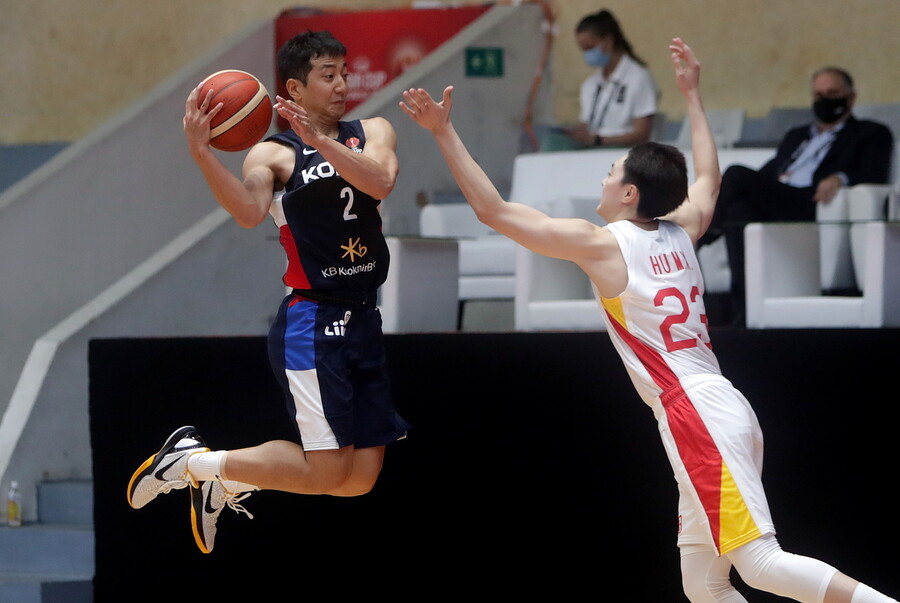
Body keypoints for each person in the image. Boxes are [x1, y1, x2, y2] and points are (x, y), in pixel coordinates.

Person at [400, 38, 896, 603]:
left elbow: (495, 211)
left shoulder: (604, 243)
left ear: (629, 192)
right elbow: (708, 179)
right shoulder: (682, 228)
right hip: (719, 402)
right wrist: (693, 96)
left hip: (693, 412)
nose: (604, 178)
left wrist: (443, 132)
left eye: (610, 171)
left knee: (758, 564)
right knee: (703, 584)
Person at [126, 30, 410, 554]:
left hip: (365, 317)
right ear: (295, 90)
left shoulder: (373, 129)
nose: (343, 83)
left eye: (345, 71)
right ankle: (191, 463)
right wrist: (201, 154)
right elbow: (248, 211)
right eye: (329, 75)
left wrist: (323, 140)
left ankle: (226, 480)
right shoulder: (273, 154)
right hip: (314, 321)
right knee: (326, 471)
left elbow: (381, 182)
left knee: (360, 478)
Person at [698, 66, 894, 325]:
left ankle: (700, 231)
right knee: (738, 211)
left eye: (832, 93)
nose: (825, 99)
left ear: (851, 96)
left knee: (735, 175)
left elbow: (873, 172)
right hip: (782, 195)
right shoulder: (797, 136)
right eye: (818, 94)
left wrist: (840, 178)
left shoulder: (870, 132)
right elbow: (771, 169)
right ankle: (743, 308)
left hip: (812, 201)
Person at [558, 9, 659, 149]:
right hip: (592, 150)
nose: (587, 54)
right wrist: (575, 133)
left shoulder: (639, 78)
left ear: (608, 41)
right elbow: (586, 125)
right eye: (583, 50)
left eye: (590, 47)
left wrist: (600, 140)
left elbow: (642, 134)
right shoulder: (590, 84)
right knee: (553, 143)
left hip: (624, 152)